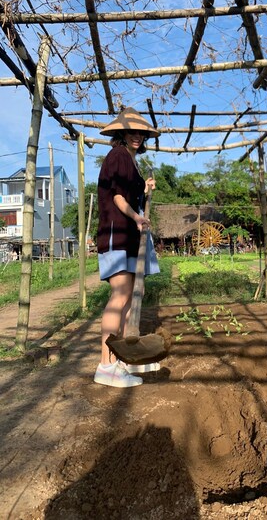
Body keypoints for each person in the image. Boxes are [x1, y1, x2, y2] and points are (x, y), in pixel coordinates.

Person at [94, 107, 161, 388]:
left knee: (131, 295)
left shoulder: (130, 162)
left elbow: (128, 193)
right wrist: (136, 217)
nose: (137, 135)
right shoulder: (119, 155)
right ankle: (106, 365)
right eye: (132, 131)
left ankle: (120, 359)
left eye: (141, 132)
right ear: (122, 132)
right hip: (117, 234)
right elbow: (119, 198)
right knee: (120, 295)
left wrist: (143, 191)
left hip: (128, 236)